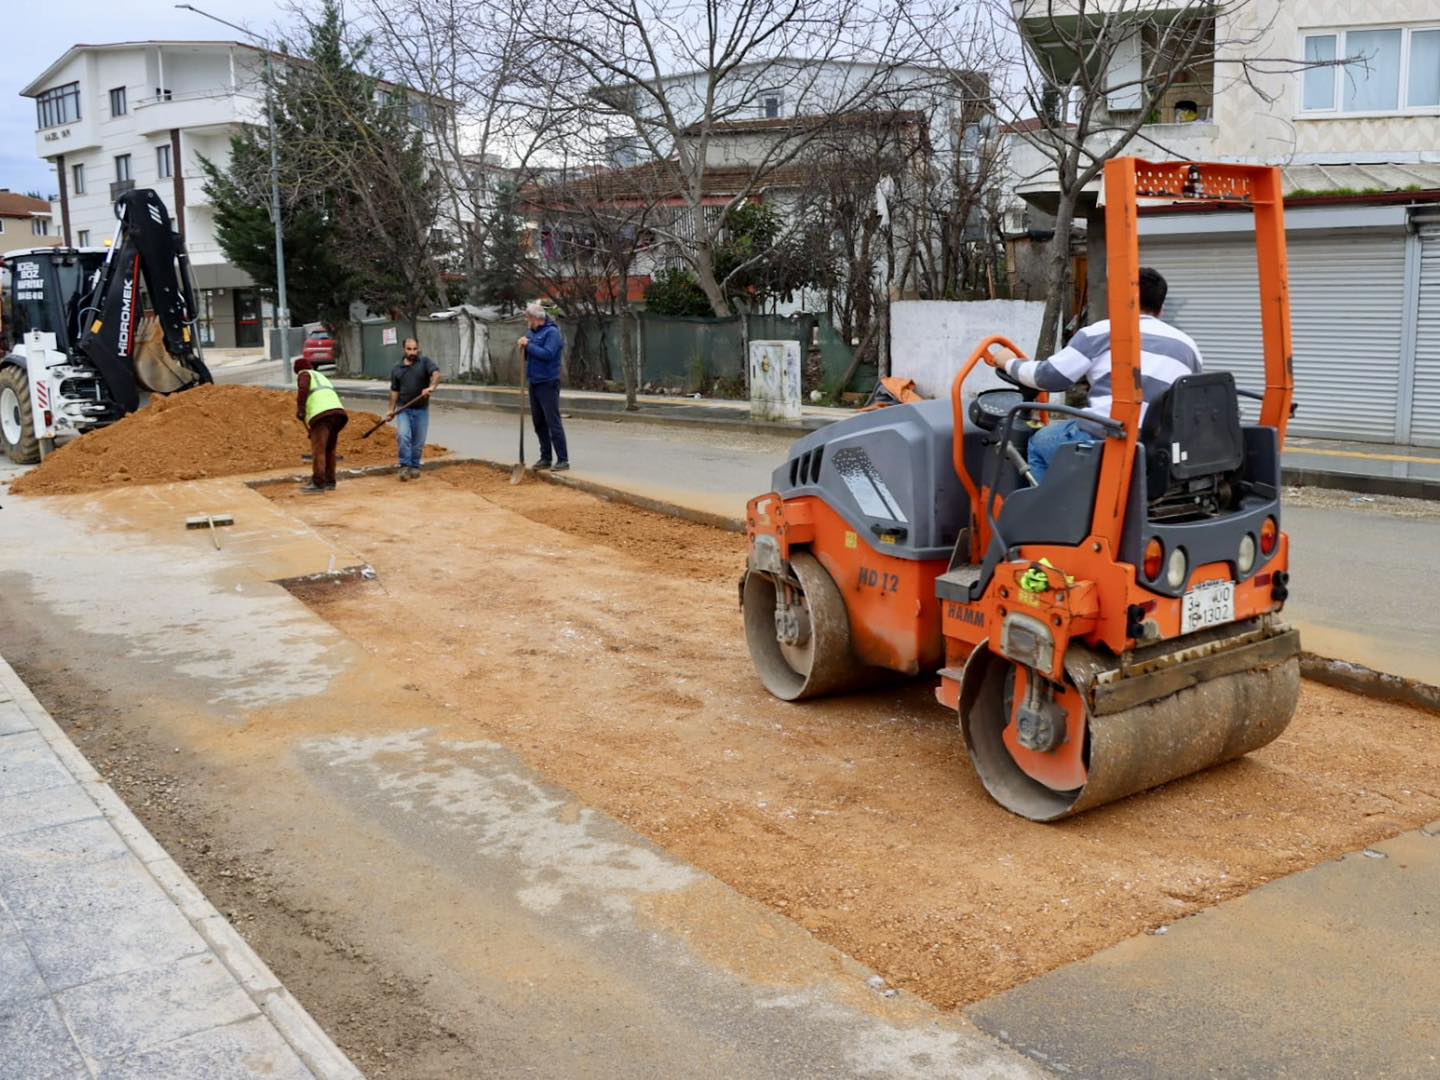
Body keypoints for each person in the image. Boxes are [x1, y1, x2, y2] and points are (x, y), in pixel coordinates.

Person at [987, 267, 1202, 482]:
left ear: (1118, 299)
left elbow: (1048, 377)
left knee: (1040, 441)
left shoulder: (1101, 333)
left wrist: (1009, 363)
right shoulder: (1188, 346)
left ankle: (1047, 512)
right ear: (1161, 308)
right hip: (1158, 448)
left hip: (1109, 440)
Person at [519, 300, 569, 471]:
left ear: (535, 318)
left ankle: (563, 460)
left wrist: (529, 346)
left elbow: (547, 354)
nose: (527, 321)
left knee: (552, 421)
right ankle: (545, 457)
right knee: (539, 422)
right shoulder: (531, 332)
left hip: (548, 382)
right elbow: (529, 356)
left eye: (528, 318)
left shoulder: (552, 333)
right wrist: (523, 348)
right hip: (534, 381)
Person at [386, 338, 441, 480]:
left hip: (421, 409)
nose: (412, 352)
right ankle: (404, 466)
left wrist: (431, 387)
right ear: (403, 350)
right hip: (403, 409)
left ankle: (415, 466)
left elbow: (436, 374)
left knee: (418, 442)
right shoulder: (397, 369)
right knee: (403, 436)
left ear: (418, 349)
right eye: (409, 349)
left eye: (415, 349)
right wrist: (390, 410)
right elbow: (394, 391)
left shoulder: (424, 363)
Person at [294, 352, 347, 494]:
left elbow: (303, 389)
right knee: (329, 449)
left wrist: (301, 410)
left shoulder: (304, 374)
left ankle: (318, 483)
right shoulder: (321, 376)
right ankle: (330, 481)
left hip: (322, 415)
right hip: (338, 414)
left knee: (319, 450)